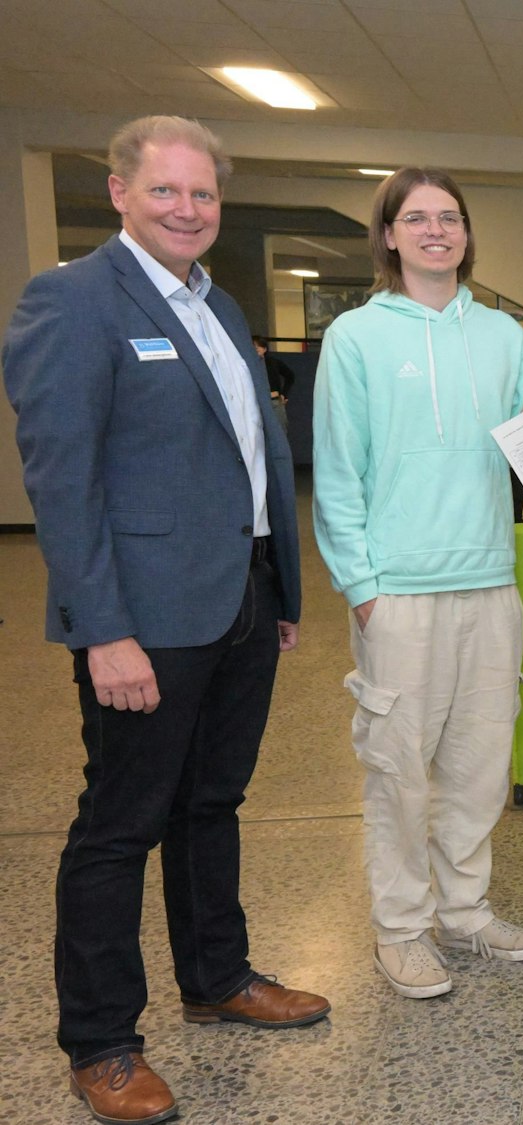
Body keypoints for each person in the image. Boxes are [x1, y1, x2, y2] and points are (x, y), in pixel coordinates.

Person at [4, 115, 328, 1125]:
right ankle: (101, 1041)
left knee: (212, 804)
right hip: (143, 619)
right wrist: (102, 630)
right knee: (119, 827)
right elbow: (63, 482)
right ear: (119, 192)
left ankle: (217, 975)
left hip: (239, 597)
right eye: (167, 192)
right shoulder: (73, 301)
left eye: (203, 195)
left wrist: (276, 589)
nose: (188, 210)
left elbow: (249, 457)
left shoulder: (219, 305)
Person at [314, 166, 523, 999]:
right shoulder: (356, 337)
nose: (436, 231)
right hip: (399, 592)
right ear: (388, 235)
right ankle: (402, 930)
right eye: (417, 218)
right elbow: (339, 470)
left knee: (482, 763)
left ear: (466, 233)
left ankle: (466, 910)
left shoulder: (502, 337)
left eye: (450, 217)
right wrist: (362, 588)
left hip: (489, 580)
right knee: (400, 769)